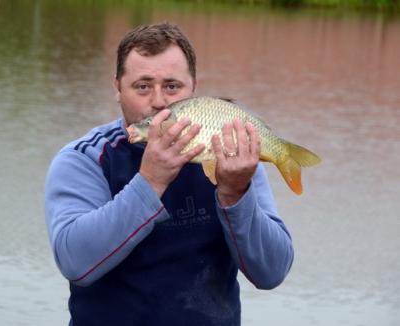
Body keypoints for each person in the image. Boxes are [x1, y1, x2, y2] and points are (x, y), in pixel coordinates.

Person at [45, 22, 294, 326]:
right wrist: (150, 182)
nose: (159, 102)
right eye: (143, 86)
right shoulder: (84, 160)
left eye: (172, 87)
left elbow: (272, 272)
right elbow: (75, 263)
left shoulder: (230, 156)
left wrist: (235, 194)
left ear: (195, 90)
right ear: (117, 88)